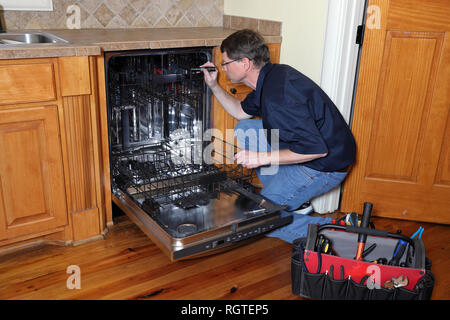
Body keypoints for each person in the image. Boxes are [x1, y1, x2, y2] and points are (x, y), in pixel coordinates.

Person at [201, 29, 356, 215]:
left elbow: (316, 149)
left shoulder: (277, 99)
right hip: (319, 147)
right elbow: (239, 111)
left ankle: (332, 230)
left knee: (262, 217)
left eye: (225, 63)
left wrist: (260, 157)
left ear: (245, 63)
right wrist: (213, 85)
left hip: (325, 167)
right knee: (246, 127)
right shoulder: (272, 76)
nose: (223, 68)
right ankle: (294, 200)